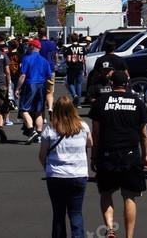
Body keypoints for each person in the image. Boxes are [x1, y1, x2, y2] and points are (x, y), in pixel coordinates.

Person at [90, 71, 147, 238]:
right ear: (127, 84)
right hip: (130, 154)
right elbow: (143, 133)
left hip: (107, 153)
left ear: (111, 84)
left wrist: (93, 156)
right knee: (129, 196)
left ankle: (109, 229)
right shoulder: (137, 102)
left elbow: (96, 132)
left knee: (106, 193)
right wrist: (144, 155)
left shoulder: (101, 101)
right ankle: (129, 236)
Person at [39, 96, 92, 238]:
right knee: (76, 213)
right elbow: (90, 144)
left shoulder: (50, 129)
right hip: (78, 175)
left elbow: (42, 155)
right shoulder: (83, 126)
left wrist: (47, 167)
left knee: (58, 213)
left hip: (56, 176)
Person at [15, 38, 53, 143]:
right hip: (41, 85)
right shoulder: (44, 61)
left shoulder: (26, 59)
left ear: (32, 47)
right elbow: (49, 76)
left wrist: (17, 88)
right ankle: (39, 134)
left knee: (24, 109)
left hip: (30, 84)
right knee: (39, 111)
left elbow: (23, 75)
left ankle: (32, 131)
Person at [86, 39, 128, 104]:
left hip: (102, 87)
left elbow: (95, 75)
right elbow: (126, 75)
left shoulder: (100, 60)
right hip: (116, 87)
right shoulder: (120, 59)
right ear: (114, 48)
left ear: (105, 48)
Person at [38, 30, 60, 114]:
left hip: (40, 70)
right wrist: (56, 63)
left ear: (40, 34)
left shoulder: (38, 44)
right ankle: (50, 107)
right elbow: (56, 55)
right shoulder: (52, 44)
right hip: (50, 69)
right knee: (50, 92)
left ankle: (41, 112)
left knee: (40, 92)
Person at [62, 34, 87, 107]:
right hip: (80, 67)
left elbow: (66, 59)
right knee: (79, 84)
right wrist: (85, 70)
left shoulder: (68, 48)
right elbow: (84, 60)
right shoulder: (82, 48)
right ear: (78, 39)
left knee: (70, 83)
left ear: (71, 39)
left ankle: (74, 95)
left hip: (71, 68)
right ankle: (78, 103)